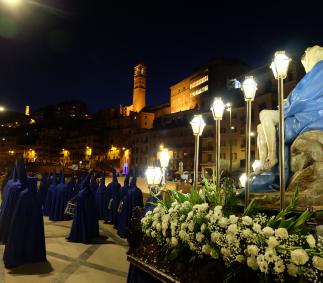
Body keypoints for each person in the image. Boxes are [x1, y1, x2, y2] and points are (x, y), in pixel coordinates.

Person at [250, 45, 323, 192]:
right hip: (302, 113)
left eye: (310, 50)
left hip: (310, 115)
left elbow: (302, 98)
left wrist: (287, 105)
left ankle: (273, 157)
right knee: (260, 127)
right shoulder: (315, 72)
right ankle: (265, 166)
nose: (307, 51)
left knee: (264, 115)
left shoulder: (320, 68)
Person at [3, 175, 46, 268]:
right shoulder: (36, 195)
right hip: (33, 224)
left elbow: (18, 212)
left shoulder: (24, 194)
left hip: (25, 223)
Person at [67, 172, 99, 243]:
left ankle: (80, 235)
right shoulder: (88, 192)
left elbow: (77, 197)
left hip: (81, 213)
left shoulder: (84, 193)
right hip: (85, 213)